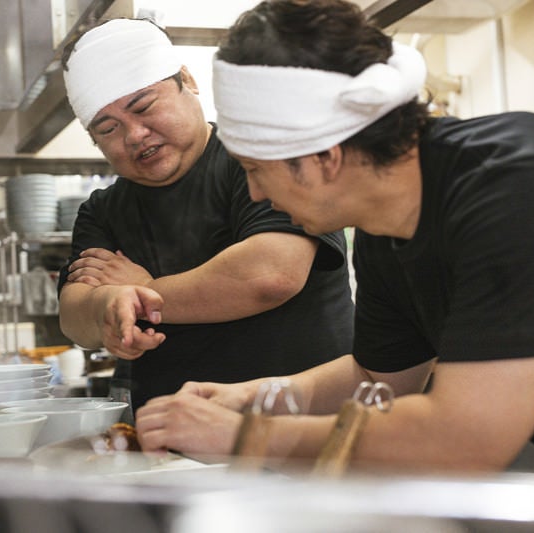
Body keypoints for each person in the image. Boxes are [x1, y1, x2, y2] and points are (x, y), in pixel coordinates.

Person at [135, 0, 534, 472]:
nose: (255, 192)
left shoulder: (513, 185)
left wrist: (244, 436)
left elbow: (466, 438)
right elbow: (376, 378)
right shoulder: (383, 232)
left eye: (254, 170)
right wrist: (251, 399)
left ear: (324, 157)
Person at [56, 17, 355, 413]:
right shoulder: (102, 209)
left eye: (144, 106)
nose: (135, 135)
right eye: (108, 129)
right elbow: (74, 315)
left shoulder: (260, 158)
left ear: (187, 80)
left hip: (306, 428)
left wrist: (144, 295)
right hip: (175, 441)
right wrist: (109, 305)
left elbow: (269, 275)